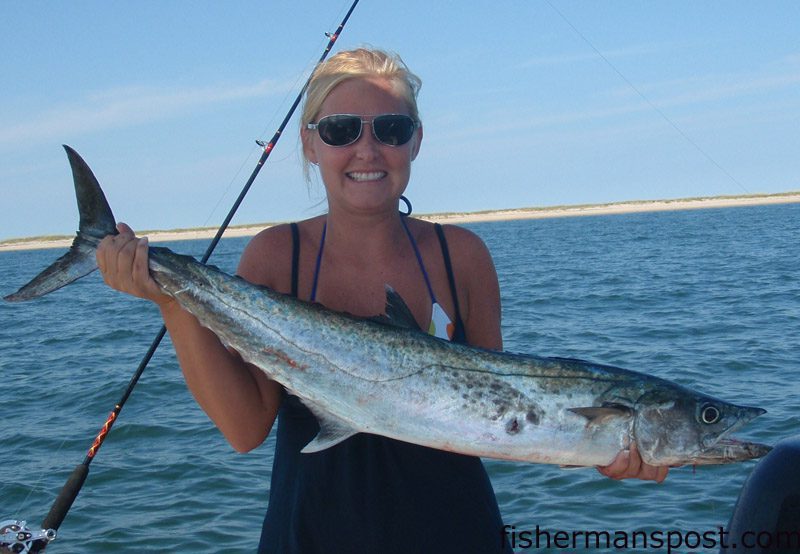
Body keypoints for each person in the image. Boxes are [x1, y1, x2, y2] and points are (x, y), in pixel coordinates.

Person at [96, 47, 668, 553]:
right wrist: (171, 302)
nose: (368, 150)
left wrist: (600, 450)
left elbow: (500, 416)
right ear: (311, 144)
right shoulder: (276, 257)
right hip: (310, 534)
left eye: (391, 129)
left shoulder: (462, 256)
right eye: (342, 129)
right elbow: (245, 430)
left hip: (457, 533)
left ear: (416, 139)